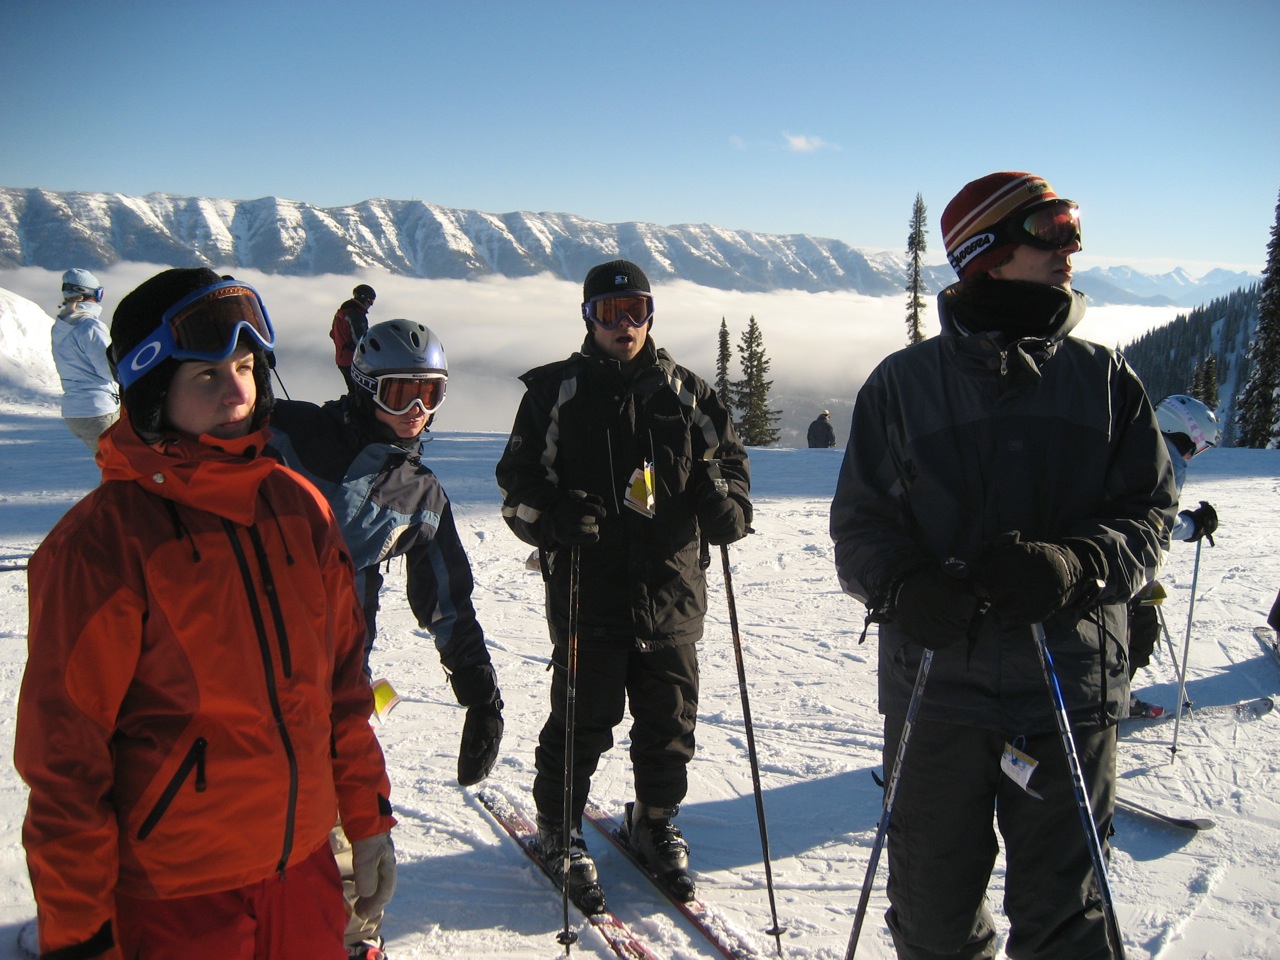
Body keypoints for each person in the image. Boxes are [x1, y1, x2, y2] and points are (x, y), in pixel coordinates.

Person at [830, 172, 1177, 960]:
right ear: (985, 250)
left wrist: (1077, 564)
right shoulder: (903, 387)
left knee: (1066, 918)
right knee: (931, 914)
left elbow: (1150, 518)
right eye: (1051, 227)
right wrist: (904, 587)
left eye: (1071, 225)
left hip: (1067, 688)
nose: (1072, 246)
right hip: (937, 689)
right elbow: (860, 526)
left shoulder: (1106, 383)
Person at [16, 268, 397, 960]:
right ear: (153, 389)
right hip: (174, 900)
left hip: (303, 875)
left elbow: (341, 689)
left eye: (247, 367)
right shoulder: (102, 546)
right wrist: (78, 935)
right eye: (205, 376)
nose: (236, 390)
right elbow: (65, 764)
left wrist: (367, 818)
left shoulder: (298, 510)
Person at [495, 259, 751, 908]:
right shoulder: (556, 394)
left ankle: (655, 820)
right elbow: (517, 489)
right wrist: (552, 519)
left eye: (635, 309)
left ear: (651, 314)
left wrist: (727, 508)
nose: (625, 324)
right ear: (589, 318)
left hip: (672, 592)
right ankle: (559, 828)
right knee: (584, 719)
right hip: (590, 593)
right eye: (610, 313)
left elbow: (730, 466)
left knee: (669, 723)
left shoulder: (687, 394)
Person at [266, 319, 504, 957]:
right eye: (402, 394)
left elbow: (448, 604)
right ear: (366, 387)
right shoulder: (292, 432)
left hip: (332, 692)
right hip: (236, 672)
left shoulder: (420, 494)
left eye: (432, 395)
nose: (418, 412)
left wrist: (481, 695)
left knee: (345, 847)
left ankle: (348, 943)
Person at [1127, 394, 1220, 719]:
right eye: (1199, 446)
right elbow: (1157, 521)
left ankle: (1104, 692)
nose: (1195, 454)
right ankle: (1105, 696)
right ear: (1187, 433)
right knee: (1139, 632)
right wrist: (1193, 525)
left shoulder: (1134, 437)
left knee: (1137, 622)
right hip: (1127, 563)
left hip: (1116, 556)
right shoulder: (1168, 458)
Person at [51, 267, 119, 454]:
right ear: (91, 294)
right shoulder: (90, 326)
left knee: (112, 466)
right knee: (121, 469)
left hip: (75, 411)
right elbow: (109, 370)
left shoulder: (61, 325)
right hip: (98, 410)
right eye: (99, 293)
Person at [331, 284, 377, 390]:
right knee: (362, 392)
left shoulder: (341, 313)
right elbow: (361, 341)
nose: (370, 304)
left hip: (341, 359)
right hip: (353, 361)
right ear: (363, 298)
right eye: (370, 301)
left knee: (353, 390)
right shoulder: (356, 316)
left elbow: (333, 334)